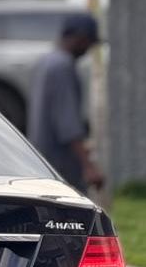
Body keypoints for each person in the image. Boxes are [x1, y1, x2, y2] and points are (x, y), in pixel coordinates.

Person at [28, 15, 104, 193]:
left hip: (41, 159)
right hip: (61, 165)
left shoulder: (46, 61)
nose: (88, 48)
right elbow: (68, 125)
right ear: (80, 38)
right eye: (88, 42)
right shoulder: (63, 66)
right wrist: (89, 166)